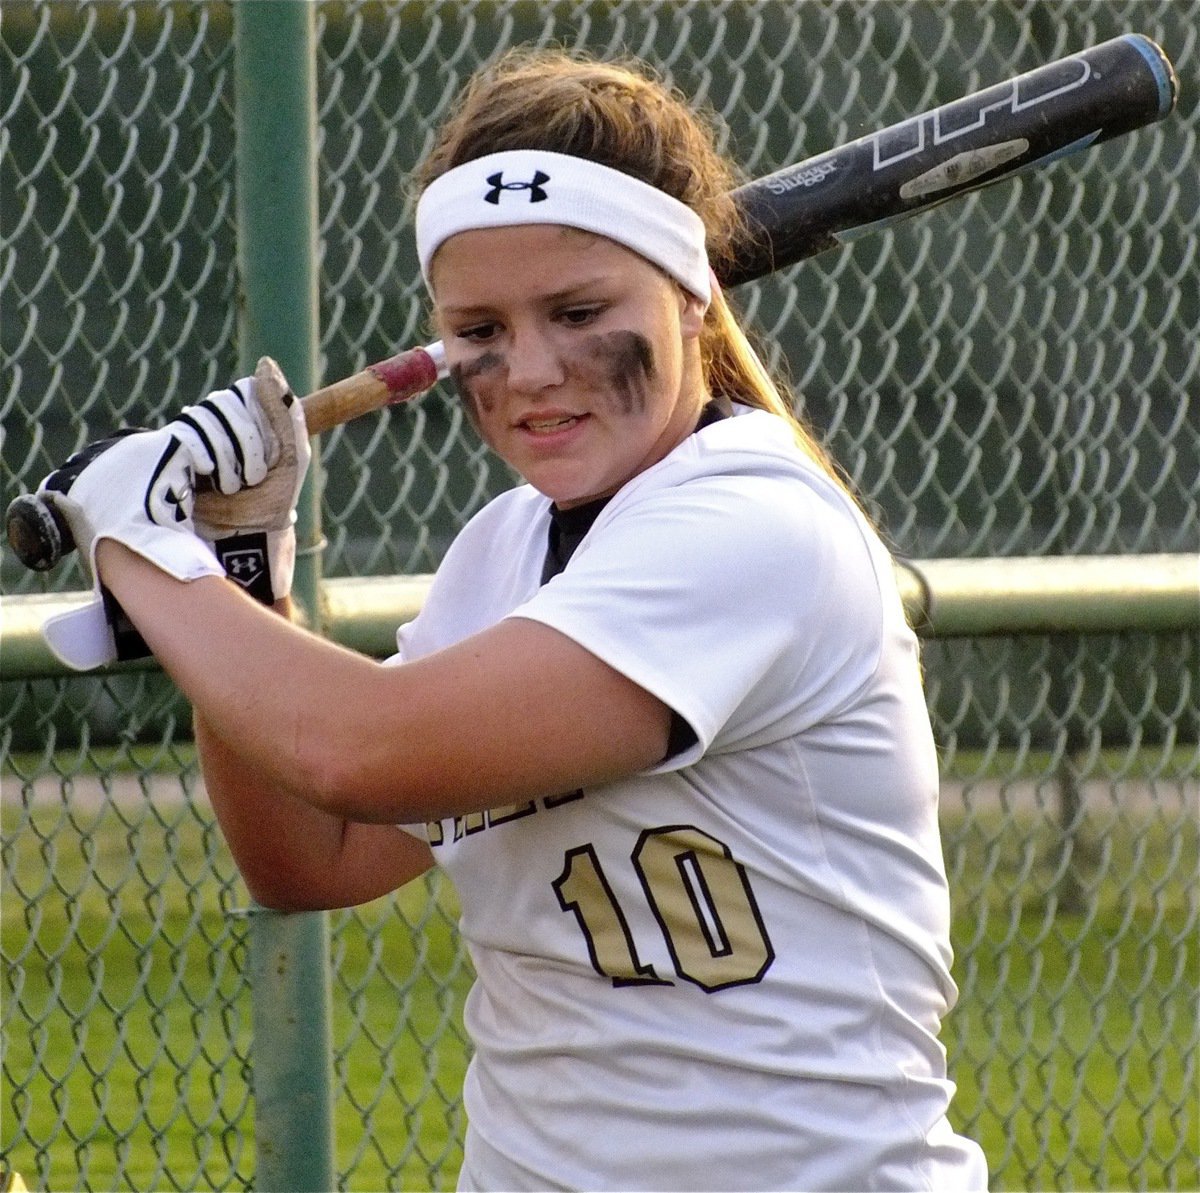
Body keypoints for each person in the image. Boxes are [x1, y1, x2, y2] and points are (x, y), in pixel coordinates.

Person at [38, 47, 989, 1193]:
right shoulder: (505, 547)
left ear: (690, 300)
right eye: (480, 330)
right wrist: (237, 557)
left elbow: (356, 749)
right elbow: (310, 853)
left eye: (581, 310)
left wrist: (145, 548)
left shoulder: (755, 529)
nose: (534, 368)